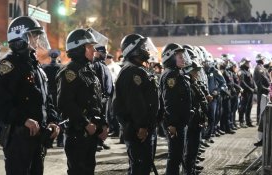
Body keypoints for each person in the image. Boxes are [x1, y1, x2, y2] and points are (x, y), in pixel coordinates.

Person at [0, 16, 60, 175]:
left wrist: (52, 120)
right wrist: (23, 119)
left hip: (37, 139)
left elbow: (46, 99)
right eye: (33, 35)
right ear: (21, 37)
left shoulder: (35, 66)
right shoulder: (8, 65)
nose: (37, 39)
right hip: (18, 138)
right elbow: (1, 103)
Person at [56, 28, 108, 175]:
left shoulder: (89, 71)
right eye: (90, 47)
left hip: (90, 134)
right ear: (79, 48)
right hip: (77, 134)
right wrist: (85, 123)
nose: (94, 50)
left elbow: (96, 101)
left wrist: (102, 124)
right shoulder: (69, 72)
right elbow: (65, 103)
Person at [113, 34, 159, 175]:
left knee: (141, 168)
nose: (146, 49)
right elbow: (136, 103)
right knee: (140, 169)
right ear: (133, 49)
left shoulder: (137, 69)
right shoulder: (133, 72)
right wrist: (142, 126)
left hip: (141, 129)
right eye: (142, 47)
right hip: (138, 131)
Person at [159, 43, 192, 174]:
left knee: (177, 156)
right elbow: (169, 102)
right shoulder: (171, 75)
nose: (183, 59)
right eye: (179, 56)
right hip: (174, 123)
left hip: (178, 121)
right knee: (174, 157)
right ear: (170, 57)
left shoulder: (176, 73)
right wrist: (171, 123)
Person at [42, 49, 64, 147]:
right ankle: (60, 140)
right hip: (58, 95)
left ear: (50, 57)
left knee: (50, 117)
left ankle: (49, 139)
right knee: (60, 117)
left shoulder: (44, 67)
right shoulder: (62, 67)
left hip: (49, 95)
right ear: (57, 57)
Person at [238, 58, 256, 128]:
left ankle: (248, 121)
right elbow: (242, 82)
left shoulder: (248, 71)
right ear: (243, 63)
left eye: (248, 63)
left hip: (250, 92)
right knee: (243, 107)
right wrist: (249, 89)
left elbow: (252, 80)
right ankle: (241, 121)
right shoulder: (241, 72)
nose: (248, 64)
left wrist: (254, 87)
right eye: (247, 63)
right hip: (245, 92)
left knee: (249, 107)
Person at [253, 54, 270, 124]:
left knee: (263, 105)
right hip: (262, 89)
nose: (264, 60)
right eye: (263, 59)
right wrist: (268, 86)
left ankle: (261, 119)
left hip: (264, 89)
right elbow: (263, 78)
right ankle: (259, 120)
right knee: (260, 105)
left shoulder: (261, 67)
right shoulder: (258, 68)